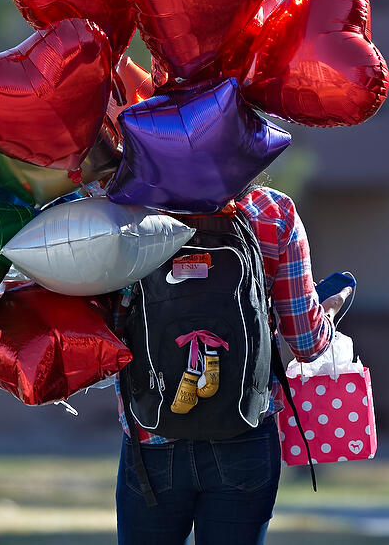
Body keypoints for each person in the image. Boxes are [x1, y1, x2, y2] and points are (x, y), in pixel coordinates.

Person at [112, 185, 348, 544]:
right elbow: (307, 342)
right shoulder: (272, 211)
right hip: (244, 433)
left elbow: (106, 328)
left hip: (151, 436)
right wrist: (328, 311)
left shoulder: (129, 208)